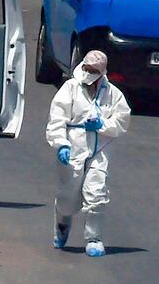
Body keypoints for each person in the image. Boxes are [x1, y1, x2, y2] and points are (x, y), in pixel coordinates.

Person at [46, 50, 131, 257]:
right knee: (68, 195)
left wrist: (103, 125)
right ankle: (63, 223)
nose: (88, 73)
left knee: (96, 193)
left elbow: (122, 121)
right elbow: (57, 119)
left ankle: (94, 238)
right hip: (73, 147)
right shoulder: (70, 88)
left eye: (94, 70)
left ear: (102, 72)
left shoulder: (113, 94)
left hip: (100, 149)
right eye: (86, 68)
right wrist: (61, 144)